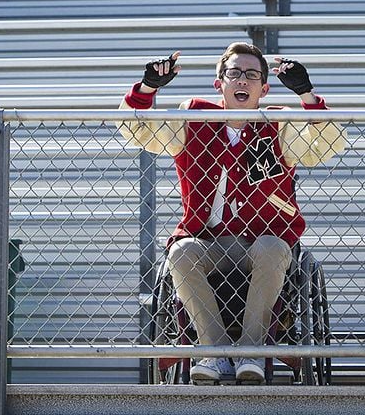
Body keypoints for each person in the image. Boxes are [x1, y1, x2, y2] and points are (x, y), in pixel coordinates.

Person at [118, 42, 346, 385]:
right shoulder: (192, 116)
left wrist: (308, 95)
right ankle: (215, 353)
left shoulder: (280, 124)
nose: (243, 80)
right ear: (219, 83)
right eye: (234, 73)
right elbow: (137, 131)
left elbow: (328, 146)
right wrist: (148, 87)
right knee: (180, 252)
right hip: (208, 242)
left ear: (263, 88)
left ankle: (250, 354)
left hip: (265, 243)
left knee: (270, 248)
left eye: (252, 75)